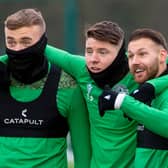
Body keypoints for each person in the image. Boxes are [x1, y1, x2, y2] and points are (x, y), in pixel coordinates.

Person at [0, 8, 91, 168]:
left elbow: (83, 156)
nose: (18, 49)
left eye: (26, 42)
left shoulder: (67, 87)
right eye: (11, 42)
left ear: (42, 43)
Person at [45, 21, 139, 167]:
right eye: (89, 51)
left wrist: (152, 86)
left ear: (121, 54)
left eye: (103, 52)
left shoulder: (137, 70)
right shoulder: (82, 69)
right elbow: (36, 47)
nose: (93, 59)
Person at [98, 28, 168, 167]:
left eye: (142, 54)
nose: (134, 61)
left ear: (162, 56)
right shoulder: (144, 88)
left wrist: (122, 101)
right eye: (130, 56)